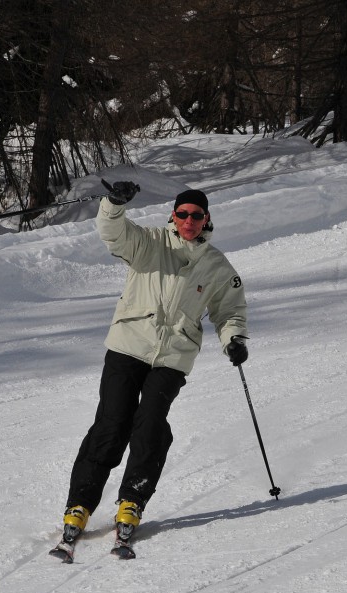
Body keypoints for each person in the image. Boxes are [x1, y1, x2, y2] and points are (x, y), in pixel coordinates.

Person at [57, 180, 249, 553]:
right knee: (112, 423)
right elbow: (113, 233)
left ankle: (133, 499)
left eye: (196, 215)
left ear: (206, 218)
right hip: (128, 346)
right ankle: (79, 503)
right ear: (173, 216)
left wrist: (234, 339)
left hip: (173, 357)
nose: (189, 220)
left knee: (150, 423)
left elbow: (230, 311)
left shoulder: (217, 266)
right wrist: (113, 204)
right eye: (182, 214)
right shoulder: (149, 243)